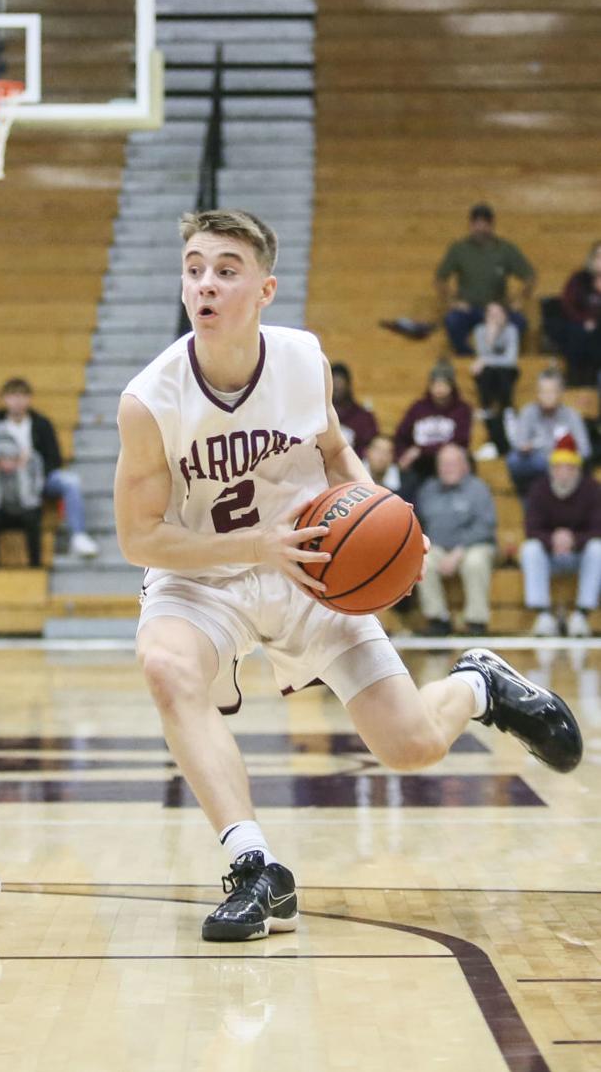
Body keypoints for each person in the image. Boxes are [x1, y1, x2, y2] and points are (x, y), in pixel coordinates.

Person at [116, 208, 580, 944]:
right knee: (166, 666)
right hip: (205, 574)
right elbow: (139, 535)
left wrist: (389, 516)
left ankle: (480, 685)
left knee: (413, 746)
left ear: (264, 290)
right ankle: (255, 867)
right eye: (195, 268)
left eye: (226, 271)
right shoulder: (150, 399)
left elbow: (335, 455)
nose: (205, 284)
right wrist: (255, 549)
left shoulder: (302, 359)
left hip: (314, 566)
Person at [0, 377, 100, 558]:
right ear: (5, 399)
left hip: (38, 477)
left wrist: (33, 471)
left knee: (70, 481)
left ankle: (78, 534)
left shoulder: (41, 423)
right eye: (12, 396)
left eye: (22, 396)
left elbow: (54, 458)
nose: (17, 401)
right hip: (7, 480)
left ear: (29, 399)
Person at [521, 434, 601, 638]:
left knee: (598, 549)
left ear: (577, 469)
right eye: (558, 467)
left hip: (580, 554)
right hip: (549, 555)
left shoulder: (592, 489)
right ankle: (543, 615)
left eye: (569, 468)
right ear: (552, 469)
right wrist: (553, 539)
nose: (563, 473)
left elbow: (598, 528)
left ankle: (582, 614)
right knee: (529, 549)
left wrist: (573, 539)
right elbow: (531, 528)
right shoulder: (539, 489)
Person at [414, 444, 497, 636]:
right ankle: (437, 618)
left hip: (473, 546)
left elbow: (485, 526)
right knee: (421, 560)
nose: (447, 468)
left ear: (465, 466)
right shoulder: (428, 490)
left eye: (452, 463)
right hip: (437, 546)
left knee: (475, 563)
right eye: (443, 464)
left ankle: (477, 622)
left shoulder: (478, 489)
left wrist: (458, 552)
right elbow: (420, 524)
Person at [434, 203, 535, 355]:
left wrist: (520, 300)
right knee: (452, 321)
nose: (480, 228)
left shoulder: (505, 249)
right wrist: (452, 302)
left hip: (498, 309)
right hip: (468, 309)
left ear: (492, 225)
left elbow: (529, 275)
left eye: (484, 224)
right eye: (476, 224)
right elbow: (440, 278)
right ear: (470, 225)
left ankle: (499, 357)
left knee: (519, 323)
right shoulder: (459, 249)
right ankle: (467, 356)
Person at [507, 367, 591, 498]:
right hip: (535, 465)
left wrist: (563, 458)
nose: (546, 396)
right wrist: (527, 448)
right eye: (543, 391)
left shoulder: (571, 415)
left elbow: (585, 451)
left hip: (564, 464)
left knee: (561, 467)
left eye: (551, 392)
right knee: (514, 460)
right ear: (537, 393)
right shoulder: (528, 412)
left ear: (560, 393)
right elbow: (519, 444)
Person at [392, 361, 472, 498]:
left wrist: (421, 450)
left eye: (443, 384)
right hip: (419, 465)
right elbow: (401, 435)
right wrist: (401, 456)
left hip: (449, 462)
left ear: (452, 386)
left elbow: (461, 441)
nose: (439, 388)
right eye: (435, 384)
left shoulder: (462, 409)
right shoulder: (418, 407)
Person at [0, 435, 44, 567]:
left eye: (11, 458)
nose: (7, 462)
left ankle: (35, 564)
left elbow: (30, 501)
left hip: (23, 512)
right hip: (2, 513)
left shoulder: (29, 465)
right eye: (3, 458)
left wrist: (21, 469)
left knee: (32, 517)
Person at [545, 241, 601, 385]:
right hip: (577, 325)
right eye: (598, 256)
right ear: (592, 259)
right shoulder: (579, 278)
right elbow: (568, 305)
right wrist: (584, 320)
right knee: (577, 335)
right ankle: (575, 380)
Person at [469, 300, 519, 458]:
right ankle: (489, 407)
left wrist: (487, 360)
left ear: (505, 315)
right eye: (491, 314)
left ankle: (504, 406)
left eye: (498, 314)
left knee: (499, 372)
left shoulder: (511, 330)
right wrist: (490, 337)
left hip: (507, 373)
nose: (495, 318)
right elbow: (481, 357)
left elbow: (510, 360)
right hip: (488, 375)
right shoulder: (480, 330)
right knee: (488, 372)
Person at [329, 361, 377, 459]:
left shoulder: (364, 417)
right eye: (334, 382)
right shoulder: (319, 416)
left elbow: (371, 447)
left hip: (356, 467)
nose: (337, 387)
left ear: (348, 385)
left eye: (340, 382)